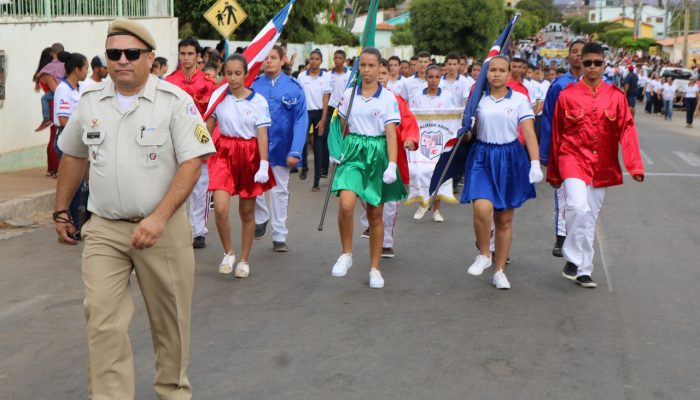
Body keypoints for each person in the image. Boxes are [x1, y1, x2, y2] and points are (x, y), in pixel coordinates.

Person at [54, 18, 215, 399]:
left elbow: (193, 162)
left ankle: (173, 392)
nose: (122, 60)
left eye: (131, 53)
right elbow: (74, 155)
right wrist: (62, 210)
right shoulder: (91, 102)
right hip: (105, 228)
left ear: (150, 58)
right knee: (103, 323)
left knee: (170, 325)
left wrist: (158, 218)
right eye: (114, 53)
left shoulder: (175, 102)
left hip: (163, 227)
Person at [548, 42, 644, 289]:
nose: (592, 67)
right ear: (581, 64)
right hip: (572, 159)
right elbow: (557, 133)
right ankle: (572, 257)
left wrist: (635, 166)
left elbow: (628, 130)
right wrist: (554, 171)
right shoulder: (567, 95)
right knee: (578, 208)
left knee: (589, 217)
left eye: (597, 63)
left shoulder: (616, 97)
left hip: (603, 163)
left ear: (604, 64)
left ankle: (583, 270)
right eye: (587, 62)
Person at [462, 56, 542, 290]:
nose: (496, 74)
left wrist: (535, 163)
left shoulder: (519, 99)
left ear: (509, 74)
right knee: (481, 207)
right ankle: (484, 254)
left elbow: (528, 132)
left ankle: (499, 270)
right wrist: (465, 132)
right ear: (486, 73)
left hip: (509, 158)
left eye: (501, 70)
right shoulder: (478, 99)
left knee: (504, 220)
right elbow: (471, 132)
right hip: (482, 156)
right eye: (492, 70)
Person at [329, 47, 405, 289]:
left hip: (377, 152)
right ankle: (347, 253)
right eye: (363, 65)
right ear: (358, 67)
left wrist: (392, 164)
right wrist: (335, 149)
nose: (367, 70)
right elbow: (340, 126)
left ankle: (374, 268)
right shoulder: (349, 94)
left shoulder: (388, 98)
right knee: (346, 203)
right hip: (353, 151)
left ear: (379, 67)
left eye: (372, 66)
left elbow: (391, 134)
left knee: (375, 215)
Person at [205, 54, 275, 278]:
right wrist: (197, 149)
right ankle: (229, 253)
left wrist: (263, 164)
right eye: (229, 73)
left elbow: (262, 135)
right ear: (223, 73)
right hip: (224, 152)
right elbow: (207, 125)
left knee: (246, 212)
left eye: (238, 73)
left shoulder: (258, 101)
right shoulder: (218, 97)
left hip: (249, 154)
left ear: (246, 73)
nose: (233, 78)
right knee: (222, 207)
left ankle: (244, 260)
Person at [358, 58, 419, 258]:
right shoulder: (357, 97)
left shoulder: (395, 100)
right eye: (379, 73)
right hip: (365, 157)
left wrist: (409, 139)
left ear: (388, 76)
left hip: (391, 157)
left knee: (390, 204)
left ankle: (386, 242)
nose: (381, 77)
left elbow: (409, 122)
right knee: (364, 195)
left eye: (384, 74)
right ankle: (372, 222)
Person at [252, 45, 308, 251]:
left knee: (279, 191)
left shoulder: (294, 87)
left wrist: (295, 151)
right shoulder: (254, 86)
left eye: (273, 57)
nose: (269, 61)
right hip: (257, 148)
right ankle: (262, 216)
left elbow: (301, 121)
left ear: (282, 60)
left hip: (282, 148)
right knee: (255, 189)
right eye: (266, 57)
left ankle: (279, 235)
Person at [166, 37, 218, 249]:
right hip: (174, 140)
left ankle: (198, 231)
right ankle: (175, 228)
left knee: (200, 187)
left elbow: (212, 114)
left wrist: (205, 143)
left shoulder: (208, 83)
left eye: (190, 54)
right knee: (173, 185)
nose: (186, 58)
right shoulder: (168, 82)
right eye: (182, 53)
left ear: (198, 56)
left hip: (199, 138)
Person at [540, 40, 584, 258]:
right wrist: (546, 152)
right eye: (574, 52)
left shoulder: (597, 84)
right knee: (562, 195)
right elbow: (548, 119)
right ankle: (561, 237)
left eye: (582, 52)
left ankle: (579, 238)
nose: (578, 56)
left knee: (584, 200)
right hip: (563, 148)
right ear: (568, 57)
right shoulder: (558, 85)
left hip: (587, 151)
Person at [408, 64, 458, 222]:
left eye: (437, 77)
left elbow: (453, 116)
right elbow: (412, 117)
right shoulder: (417, 96)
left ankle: (436, 209)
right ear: (426, 78)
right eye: (430, 77)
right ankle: (422, 203)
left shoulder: (447, 96)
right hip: (422, 140)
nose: (434, 80)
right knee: (420, 172)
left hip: (440, 139)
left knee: (438, 173)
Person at [53, 52, 89, 230]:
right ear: (77, 69)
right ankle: (72, 224)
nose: (87, 72)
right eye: (85, 68)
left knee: (81, 184)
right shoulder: (63, 89)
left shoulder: (79, 88)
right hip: (67, 137)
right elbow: (63, 120)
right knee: (74, 185)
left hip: (80, 139)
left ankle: (77, 223)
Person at [296, 49, 332, 190]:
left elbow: (325, 99)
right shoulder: (301, 76)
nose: (314, 61)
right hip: (304, 113)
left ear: (321, 61)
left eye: (317, 59)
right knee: (303, 141)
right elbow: (298, 97)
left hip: (319, 113)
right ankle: (304, 166)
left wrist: (323, 120)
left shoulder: (326, 77)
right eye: (312, 58)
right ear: (309, 60)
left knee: (317, 147)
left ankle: (316, 182)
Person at [328, 49, 351, 177]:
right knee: (332, 133)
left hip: (345, 108)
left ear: (344, 60)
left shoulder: (349, 75)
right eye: (335, 58)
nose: (337, 60)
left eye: (340, 58)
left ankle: (344, 156)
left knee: (344, 133)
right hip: (332, 109)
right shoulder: (328, 75)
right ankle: (334, 156)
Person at [34, 43, 66, 132]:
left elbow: (38, 75)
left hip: (56, 93)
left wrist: (38, 77)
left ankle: (46, 118)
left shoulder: (49, 66)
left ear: (52, 53)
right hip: (65, 90)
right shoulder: (65, 64)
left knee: (44, 98)